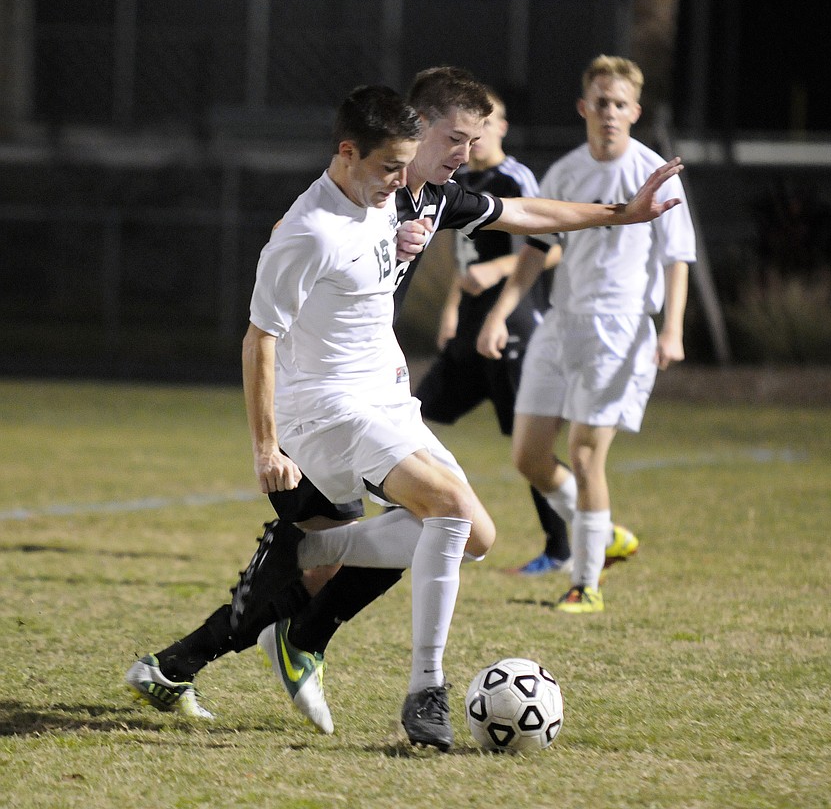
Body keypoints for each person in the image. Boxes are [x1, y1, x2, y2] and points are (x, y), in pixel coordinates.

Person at [126, 67, 684, 749]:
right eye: (455, 137)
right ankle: (425, 691)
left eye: (473, 140)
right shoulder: (311, 227)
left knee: (472, 538)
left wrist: (622, 214)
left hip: (382, 399)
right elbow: (259, 340)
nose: (465, 152)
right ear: (396, 138)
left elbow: (527, 215)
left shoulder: (418, 196)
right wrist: (266, 447)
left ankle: (197, 648)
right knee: (441, 508)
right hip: (323, 409)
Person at [477, 55, 695, 614]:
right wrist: (502, 311)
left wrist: (671, 332)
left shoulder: (652, 172)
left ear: (634, 111)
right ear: (584, 108)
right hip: (562, 323)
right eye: (601, 102)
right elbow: (537, 247)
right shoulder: (567, 171)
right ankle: (604, 533)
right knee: (528, 457)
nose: (610, 112)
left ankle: (587, 584)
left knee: (584, 453)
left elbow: (676, 257)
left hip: (620, 330)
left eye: (620, 104)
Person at [413, 85, 573, 575]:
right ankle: (421, 513)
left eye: (484, 126)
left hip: (513, 322)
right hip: (474, 325)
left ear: (500, 128)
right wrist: (453, 307)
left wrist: (496, 290)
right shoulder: (461, 180)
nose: (474, 138)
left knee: (529, 447)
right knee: (417, 412)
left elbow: (551, 245)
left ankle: (564, 545)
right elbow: (467, 264)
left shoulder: (513, 176)